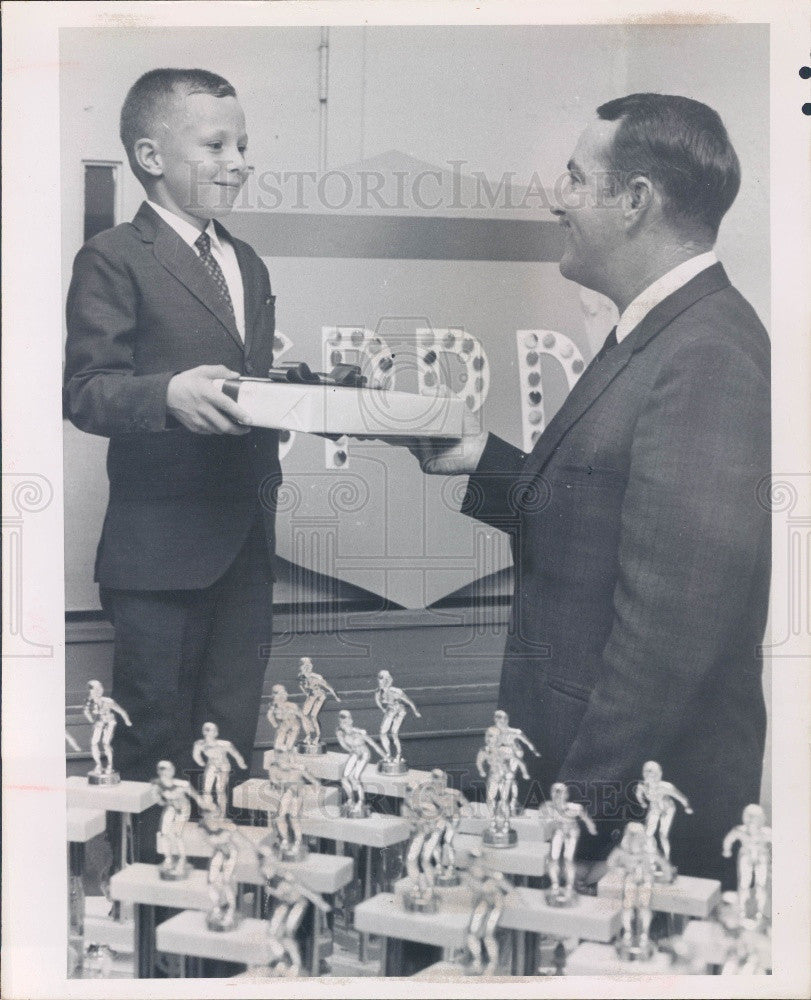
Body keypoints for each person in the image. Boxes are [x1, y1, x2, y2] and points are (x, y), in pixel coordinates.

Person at [403, 94, 770, 882]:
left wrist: (569, 814)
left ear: (635, 201)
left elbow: (670, 638)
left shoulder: (707, 353)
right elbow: (602, 516)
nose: (555, 196)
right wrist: (482, 459)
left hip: (627, 821)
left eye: (575, 177)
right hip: (581, 785)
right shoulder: (652, 330)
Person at [64, 69, 281, 787]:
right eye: (216, 144)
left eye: (242, 145)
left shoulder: (247, 261)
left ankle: (222, 891)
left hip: (245, 547)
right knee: (152, 747)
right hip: (157, 554)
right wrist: (168, 396)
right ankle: (154, 899)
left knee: (228, 750)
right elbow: (87, 392)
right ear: (151, 158)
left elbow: (250, 387)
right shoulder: (113, 257)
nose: (238, 162)